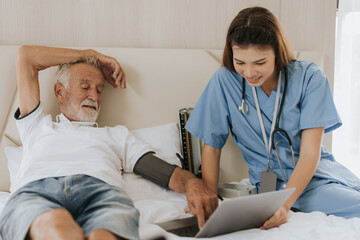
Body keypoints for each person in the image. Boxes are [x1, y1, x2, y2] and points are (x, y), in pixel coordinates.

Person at [0, 45, 217, 240]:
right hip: (38, 190)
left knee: (104, 235)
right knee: (52, 227)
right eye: (85, 87)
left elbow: (162, 171)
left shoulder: (115, 135)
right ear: (60, 91)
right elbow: (26, 57)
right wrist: (89, 54)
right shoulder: (36, 125)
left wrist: (192, 184)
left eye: (99, 89)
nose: (94, 96)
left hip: (99, 190)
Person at [185, 6, 360, 230]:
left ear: (277, 52)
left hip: (312, 180)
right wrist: (209, 203)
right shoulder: (224, 81)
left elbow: (309, 154)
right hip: (267, 188)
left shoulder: (310, 78)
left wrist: (284, 207)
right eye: (240, 62)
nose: (249, 73)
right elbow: (211, 147)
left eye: (259, 63)